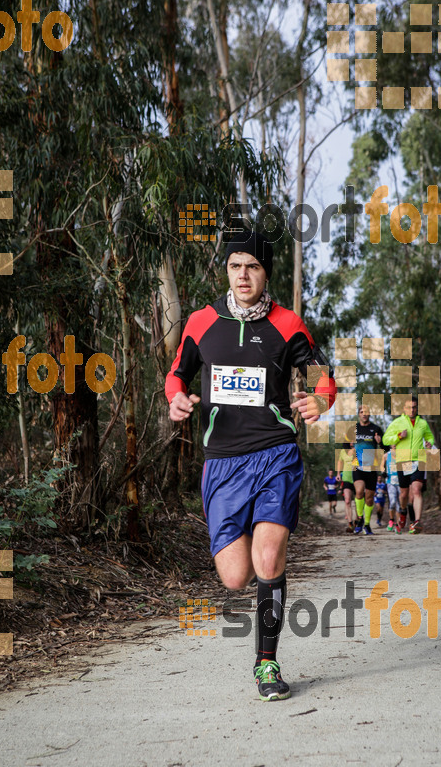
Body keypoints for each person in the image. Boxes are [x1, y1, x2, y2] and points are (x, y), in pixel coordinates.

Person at [166, 228, 336, 701]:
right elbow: (176, 373)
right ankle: (262, 642)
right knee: (236, 576)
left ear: (266, 273)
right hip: (222, 462)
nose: (244, 275)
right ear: (227, 269)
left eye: (254, 266)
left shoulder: (287, 323)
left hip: (275, 454)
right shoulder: (201, 322)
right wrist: (176, 397)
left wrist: (320, 401)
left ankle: (267, 662)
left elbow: (324, 377)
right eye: (236, 265)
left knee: (268, 558)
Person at [382, 396, 434, 534]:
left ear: (417, 408)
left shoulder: (422, 423)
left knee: (416, 490)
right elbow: (385, 439)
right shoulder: (397, 422)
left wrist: (429, 443)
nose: (412, 410)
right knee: (404, 494)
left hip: (419, 460)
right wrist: (398, 437)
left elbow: (429, 436)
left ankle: (416, 522)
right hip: (403, 461)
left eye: (414, 407)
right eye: (409, 407)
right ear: (404, 409)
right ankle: (403, 512)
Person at [348, 405, 384, 536]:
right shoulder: (353, 429)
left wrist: (379, 442)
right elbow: (344, 445)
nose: (364, 414)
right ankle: (359, 519)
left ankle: (367, 525)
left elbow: (385, 446)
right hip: (357, 465)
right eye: (361, 412)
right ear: (358, 414)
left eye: (366, 412)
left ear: (369, 414)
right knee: (358, 492)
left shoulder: (376, 429)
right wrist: (350, 445)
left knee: (369, 499)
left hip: (372, 466)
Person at [336, 443, 357, 532]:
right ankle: (350, 522)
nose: (352, 442)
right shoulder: (342, 451)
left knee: (357, 502)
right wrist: (338, 474)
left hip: (357, 477)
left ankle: (357, 520)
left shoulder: (357, 449)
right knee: (347, 501)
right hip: (346, 478)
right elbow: (340, 462)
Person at [382, 447, 400, 532]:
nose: (394, 445)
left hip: (400, 481)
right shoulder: (386, 455)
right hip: (390, 481)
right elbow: (381, 465)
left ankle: (398, 525)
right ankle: (391, 520)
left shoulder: (402, 453)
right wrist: (383, 472)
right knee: (392, 501)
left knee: (399, 505)